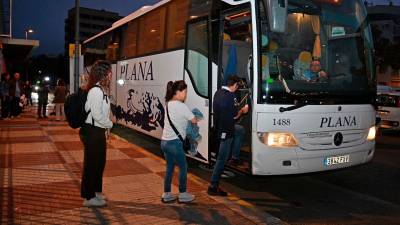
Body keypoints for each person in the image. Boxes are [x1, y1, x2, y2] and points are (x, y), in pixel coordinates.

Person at [79, 60, 113, 207]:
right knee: (91, 165)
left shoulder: (102, 90)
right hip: (91, 131)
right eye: (109, 72)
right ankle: (88, 197)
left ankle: (96, 192)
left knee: (99, 164)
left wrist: (105, 129)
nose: (111, 74)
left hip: (98, 131)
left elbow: (102, 113)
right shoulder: (95, 91)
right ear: (103, 73)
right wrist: (110, 124)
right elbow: (97, 115)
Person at [208, 76, 249, 196]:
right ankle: (213, 186)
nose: (237, 89)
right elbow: (235, 116)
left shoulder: (218, 92)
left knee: (240, 130)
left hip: (219, 127)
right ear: (235, 85)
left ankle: (235, 158)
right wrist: (243, 110)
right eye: (238, 86)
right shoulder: (231, 96)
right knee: (221, 160)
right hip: (226, 130)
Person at [161, 80, 197, 203]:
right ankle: (183, 194)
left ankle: (166, 194)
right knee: (183, 167)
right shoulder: (181, 106)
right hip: (174, 143)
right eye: (185, 92)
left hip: (164, 142)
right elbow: (193, 120)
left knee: (170, 167)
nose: (186, 94)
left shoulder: (168, 104)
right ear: (178, 92)